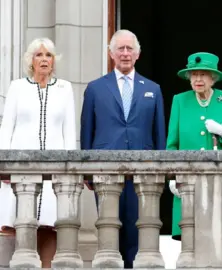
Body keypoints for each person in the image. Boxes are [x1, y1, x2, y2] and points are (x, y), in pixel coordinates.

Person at [80, 29, 166, 268]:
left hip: (143, 173)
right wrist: (87, 171)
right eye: (121, 48)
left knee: (139, 229)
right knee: (109, 228)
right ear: (111, 54)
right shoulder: (96, 88)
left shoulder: (153, 89)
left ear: (138, 54)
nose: (125, 53)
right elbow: (86, 131)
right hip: (105, 170)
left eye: (130, 49)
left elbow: (159, 133)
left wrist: (161, 168)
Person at [0, 37, 77, 268]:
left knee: (49, 226)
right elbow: (7, 129)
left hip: (53, 173)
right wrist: (3, 165)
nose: (44, 59)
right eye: (39, 55)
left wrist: (71, 171)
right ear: (30, 60)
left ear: (54, 61)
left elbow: (69, 132)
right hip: (19, 171)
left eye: (48, 55)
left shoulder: (64, 89)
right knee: (19, 224)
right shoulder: (17, 87)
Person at [167, 52, 222, 241]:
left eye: (203, 74)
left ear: (213, 78)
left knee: (219, 237)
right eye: (194, 74)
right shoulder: (179, 100)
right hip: (188, 180)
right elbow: (172, 145)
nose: (198, 79)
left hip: (219, 180)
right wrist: (172, 176)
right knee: (190, 237)